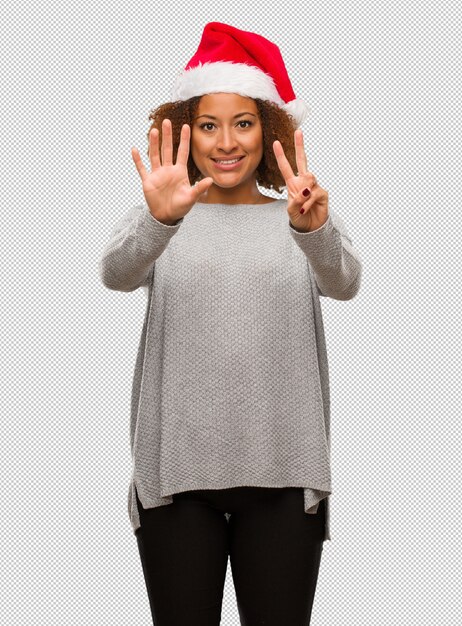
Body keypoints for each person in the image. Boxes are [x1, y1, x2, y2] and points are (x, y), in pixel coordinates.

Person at [98, 21, 362, 626]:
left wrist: (313, 230)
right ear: (186, 133)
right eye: (209, 126)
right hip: (176, 472)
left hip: (282, 468)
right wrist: (158, 220)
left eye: (242, 123)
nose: (226, 142)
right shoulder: (165, 214)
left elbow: (345, 283)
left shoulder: (299, 214)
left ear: (267, 130)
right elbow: (114, 273)